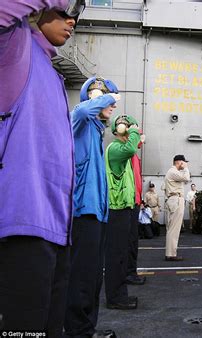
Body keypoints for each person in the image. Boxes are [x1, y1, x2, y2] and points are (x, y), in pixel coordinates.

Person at [0, 1, 84, 335]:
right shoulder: (14, 46)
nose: (72, 20)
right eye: (65, 12)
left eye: (76, 15)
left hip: (55, 231)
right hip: (21, 228)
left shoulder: (50, 69)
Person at [64, 77, 119, 338]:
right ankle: (77, 331)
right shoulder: (80, 120)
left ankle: (87, 329)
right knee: (81, 277)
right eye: (107, 99)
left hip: (97, 213)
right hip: (83, 213)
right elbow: (83, 109)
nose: (113, 105)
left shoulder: (96, 131)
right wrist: (105, 96)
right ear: (95, 97)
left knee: (94, 276)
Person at [104, 114, 141, 310]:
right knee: (116, 255)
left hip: (123, 208)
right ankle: (115, 298)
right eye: (129, 130)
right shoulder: (117, 149)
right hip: (116, 209)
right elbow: (131, 148)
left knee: (120, 254)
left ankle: (120, 295)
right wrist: (133, 129)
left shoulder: (120, 151)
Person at [126, 133, 147, 286]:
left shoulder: (133, 157)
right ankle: (128, 273)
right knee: (128, 242)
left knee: (133, 241)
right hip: (129, 204)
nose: (142, 140)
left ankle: (131, 272)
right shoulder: (126, 155)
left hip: (135, 203)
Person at [164, 154, 191, 261]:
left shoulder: (173, 172)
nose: (184, 164)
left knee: (173, 228)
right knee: (174, 228)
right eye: (183, 162)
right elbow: (186, 178)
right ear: (179, 162)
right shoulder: (173, 171)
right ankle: (171, 254)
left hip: (174, 200)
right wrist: (186, 168)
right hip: (176, 200)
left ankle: (170, 252)